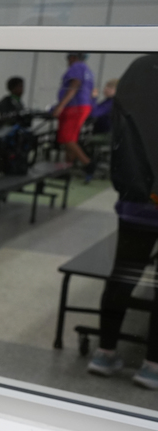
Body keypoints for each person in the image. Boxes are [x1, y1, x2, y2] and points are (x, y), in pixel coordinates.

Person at [87, 54, 158, 388]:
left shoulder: (138, 70)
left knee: (123, 275)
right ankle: (152, 365)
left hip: (136, 199)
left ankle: (105, 352)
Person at [53, 52, 95, 176]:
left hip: (75, 107)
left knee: (66, 137)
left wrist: (60, 106)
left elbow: (74, 86)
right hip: (81, 106)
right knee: (71, 138)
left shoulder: (77, 66)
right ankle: (67, 168)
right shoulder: (87, 70)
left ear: (73, 57)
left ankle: (88, 163)